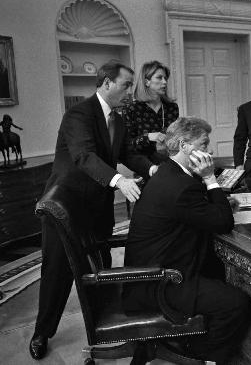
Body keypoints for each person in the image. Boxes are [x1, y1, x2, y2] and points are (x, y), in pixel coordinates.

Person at [29, 62, 157, 360]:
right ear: (107, 82)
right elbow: (84, 156)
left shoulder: (120, 120)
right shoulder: (79, 114)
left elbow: (127, 154)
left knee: (99, 265)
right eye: (126, 85)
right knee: (57, 272)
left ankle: (102, 326)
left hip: (97, 206)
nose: (130, 91)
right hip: (66, 205)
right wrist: (119, 180)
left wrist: (152, 168)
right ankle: (42, 332)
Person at [123, 117, 251, 363]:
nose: (210, 150)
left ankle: (195, 341)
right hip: (160, 282)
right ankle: (205, 356)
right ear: (184, 146)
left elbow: (196, 208)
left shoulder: (169, 172)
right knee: (237, 303)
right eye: (204, 144)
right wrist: (211, 179)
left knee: (219, 270)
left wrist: (214, 201)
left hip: (150, 271)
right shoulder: (181, 184)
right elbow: (223, 223)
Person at [118, 60, 180, 167]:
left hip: (172, 164)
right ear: (147, 82)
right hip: (145, 168)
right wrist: (148, 137)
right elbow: (126, 147)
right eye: (159, 78)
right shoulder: (131, 109)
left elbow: (177, 136)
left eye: (165, 78)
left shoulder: (172, 107)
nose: (164, 82)